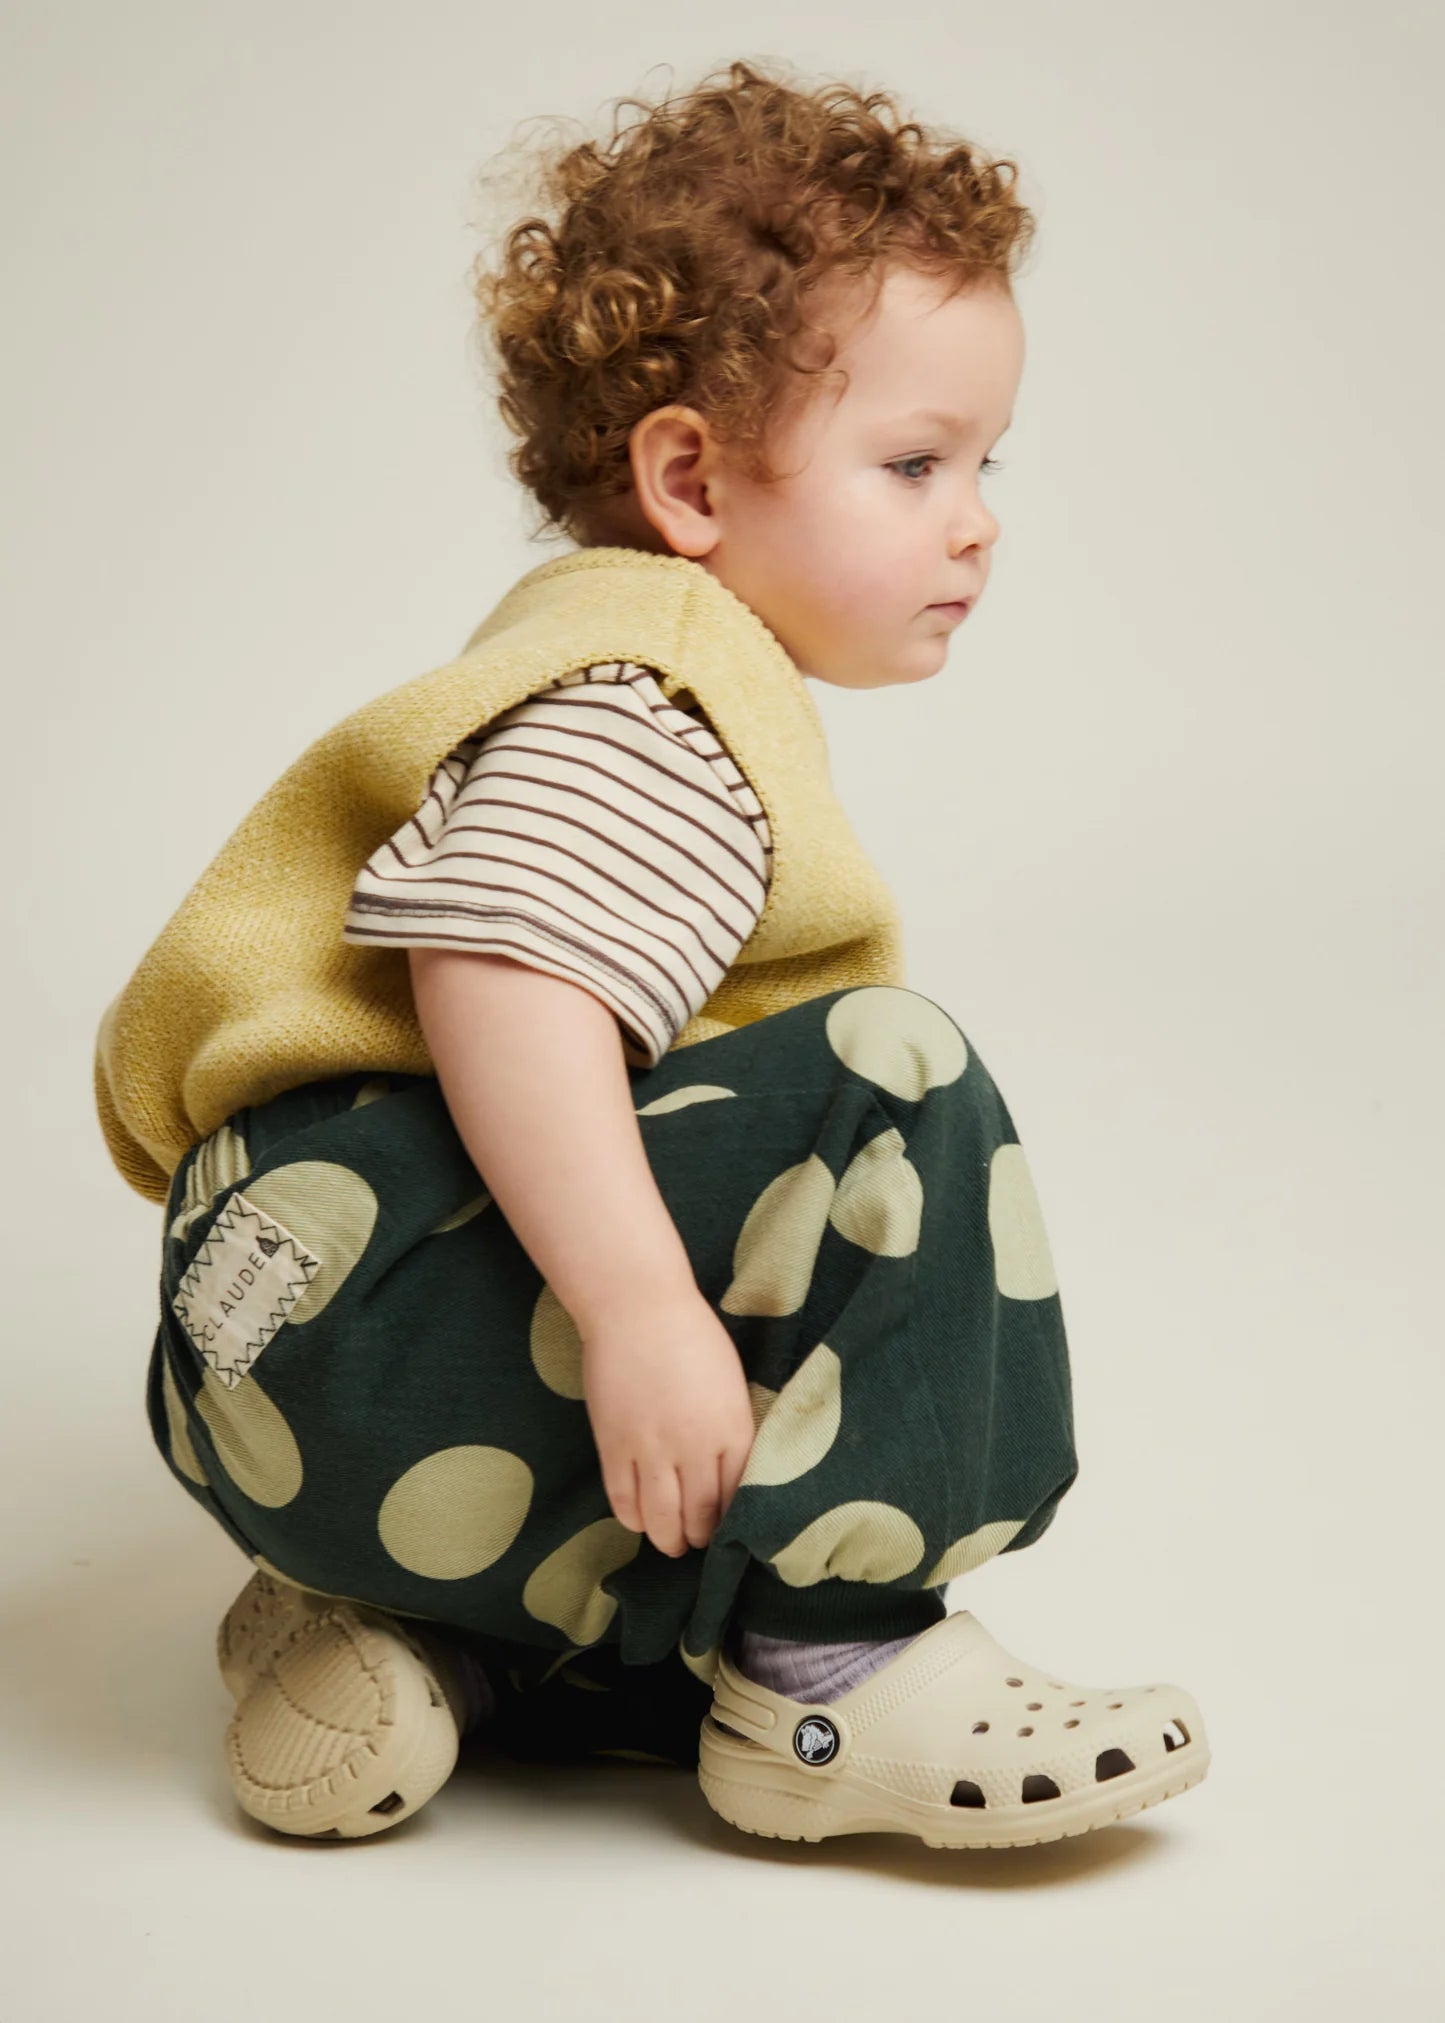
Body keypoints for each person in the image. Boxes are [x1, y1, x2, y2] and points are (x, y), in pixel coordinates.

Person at [95, 59, 1210, 1851]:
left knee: (697, 1370)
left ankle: (396, 1631)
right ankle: (835, 1669)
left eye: (983, 464)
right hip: (362, 1303)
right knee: (886, 1082)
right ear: (687, 476)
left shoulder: (569, 646)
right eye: (913, 464)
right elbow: (505, 975)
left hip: (271, 1367)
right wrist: (633, 1308)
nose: (975, 518)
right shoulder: (656, 696)